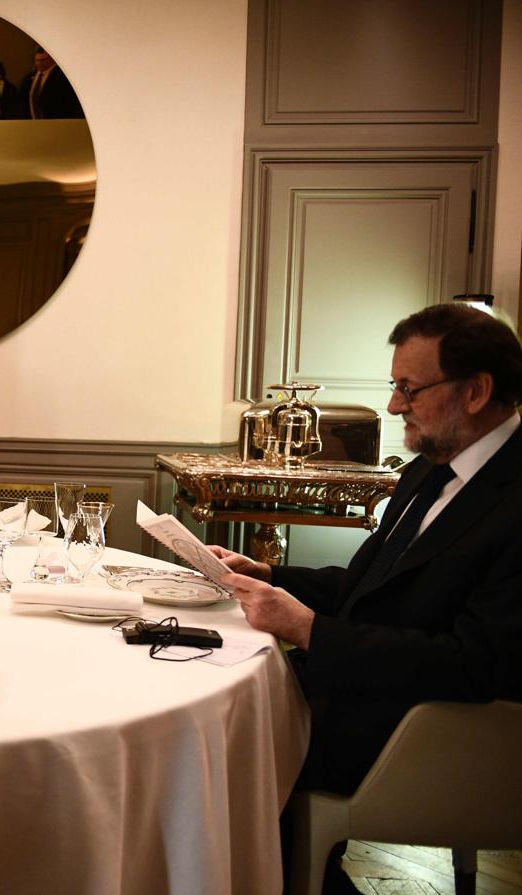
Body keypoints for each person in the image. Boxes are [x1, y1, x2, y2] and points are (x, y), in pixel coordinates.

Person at [213, 304, 522, 799]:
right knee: (215, 703)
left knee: (219, 745)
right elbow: (373, 586)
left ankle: (293, 876)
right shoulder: (429, 469)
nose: (395, 406)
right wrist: (271, 575)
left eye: (410, 389)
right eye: (395, 386)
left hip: (428, 735)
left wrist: (308, 629)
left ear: (476, 391)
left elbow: (473, 664)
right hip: (360, 695)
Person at [20, 47, 84, 119]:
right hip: (32, 121)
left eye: (42, 60)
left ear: (52, 59)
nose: (39, 63)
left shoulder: (63, 77)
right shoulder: (29, 78)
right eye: (37, 60)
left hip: (56, 119)